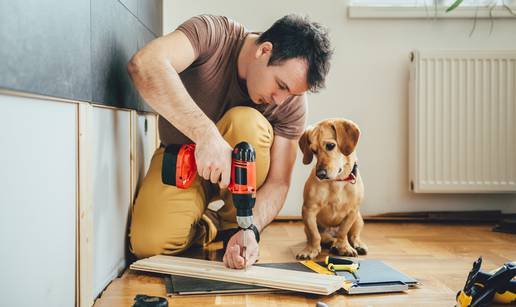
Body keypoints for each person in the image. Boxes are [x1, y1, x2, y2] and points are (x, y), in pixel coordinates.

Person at [127, 13, 332, 269]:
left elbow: (279, 182)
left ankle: (233, 227)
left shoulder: (291, 103)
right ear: (264, 51)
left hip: (240, 188)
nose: (280, 100)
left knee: (247, 123)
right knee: (150, 245)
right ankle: (208, 225)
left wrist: (252, 228)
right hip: (181, 159)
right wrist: (206, 135)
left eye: (291, 93)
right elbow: (145, 64)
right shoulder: (212, 34)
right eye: (280, 85)